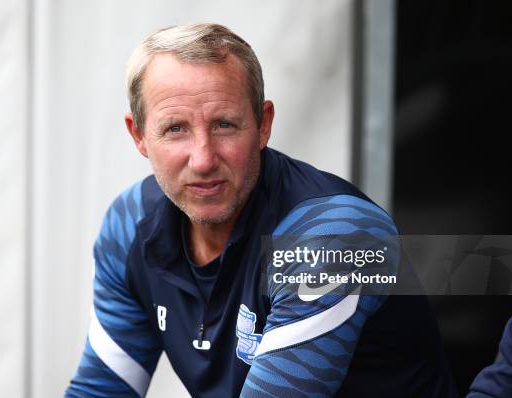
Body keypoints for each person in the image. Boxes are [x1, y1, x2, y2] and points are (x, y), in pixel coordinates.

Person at [65, 23, 457, 397]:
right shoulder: (129, 224)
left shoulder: (331, 235)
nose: (203, 159)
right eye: (175, 129)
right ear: (139, 135)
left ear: (263, 124)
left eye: (224, 125)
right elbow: (101, 390)